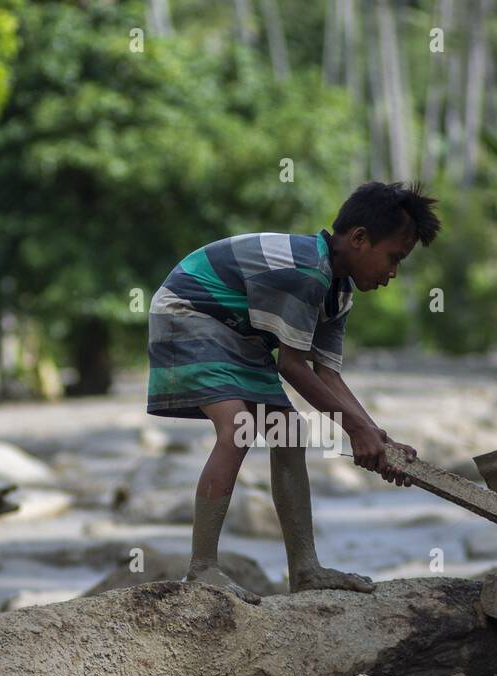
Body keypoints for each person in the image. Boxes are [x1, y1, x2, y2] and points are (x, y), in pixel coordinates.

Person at [146, 181, 441, 603]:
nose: (392, 274)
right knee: (239, 427)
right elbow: (292, 367)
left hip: (238, 333)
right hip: (189, 312)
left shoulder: (336, 293)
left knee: (288, 430)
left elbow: (328, 376)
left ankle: (305, 568)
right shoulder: (305, 271)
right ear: (358, 239)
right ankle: (202, 567)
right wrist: (356, 430)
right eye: (393, 259)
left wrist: (377, 437)